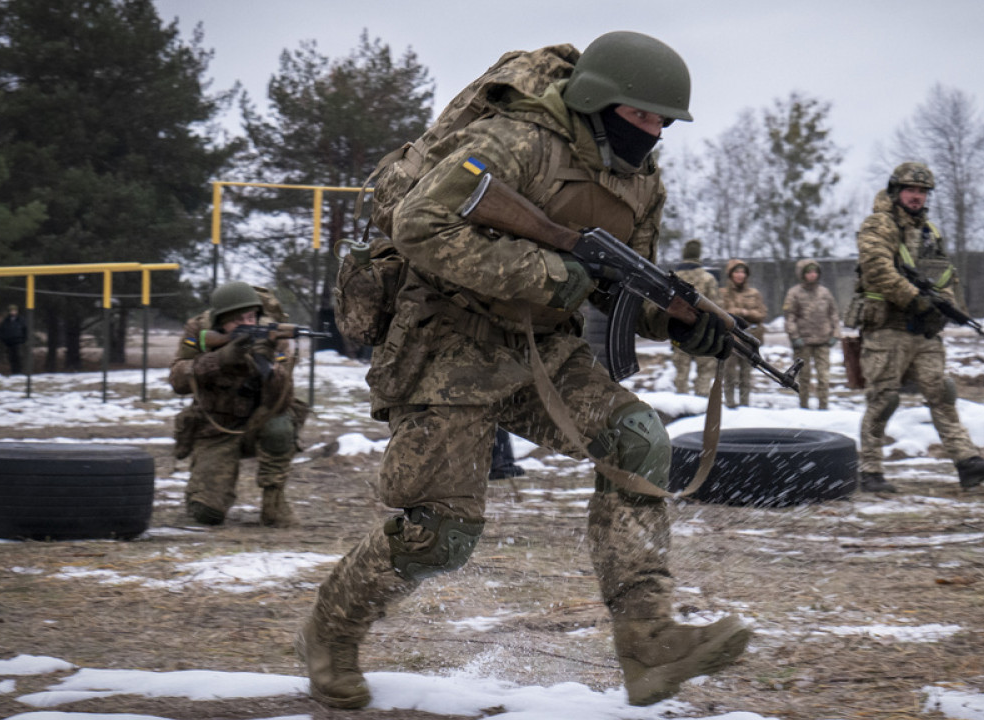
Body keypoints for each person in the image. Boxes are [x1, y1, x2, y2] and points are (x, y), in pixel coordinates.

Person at [295, 31, 749, 710]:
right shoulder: (518, 142)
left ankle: (649, 642)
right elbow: (421, 223)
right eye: (643, 116)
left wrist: (685, 322)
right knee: (441, 536)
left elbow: (620, 289)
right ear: (601, 102)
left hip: (541, 350)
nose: (655, 133)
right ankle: (331, 633)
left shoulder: (641, 182)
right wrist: (548, 272)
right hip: (444, 344)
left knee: (638, 439)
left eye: (664, 122)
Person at [852, 162, 984, 493]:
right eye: (911, 190)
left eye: (923, 192)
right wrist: (917, 299)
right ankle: (870, 470)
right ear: (897, 191)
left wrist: (948, 308)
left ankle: (967, 462)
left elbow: (943, 275)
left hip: (923, 332)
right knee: (884, 400)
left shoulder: (930, 232)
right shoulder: (878, 225)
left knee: (942, 393)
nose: (917, 197)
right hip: (886, 330)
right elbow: (877, 271)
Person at [167, 281, 307, 527]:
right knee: (207, 515)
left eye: (251, 317)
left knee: (281, 425)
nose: (247, 324)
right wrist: (219, 358)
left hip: (258, 423)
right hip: (215, 427)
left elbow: (283, 400)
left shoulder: (273, 335)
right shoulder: (199, 329)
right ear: (221, 321)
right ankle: (201, 493)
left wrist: (269, 368)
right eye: (238, 320)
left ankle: (274, 502)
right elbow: (178, 380)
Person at [783, 259, 840, 410]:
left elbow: (833, 313)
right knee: (804, 377)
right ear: (802, 274)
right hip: (804, 343)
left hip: (823, 341)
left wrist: (835, 333)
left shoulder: (825, 293)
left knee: (824, 377)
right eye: (808, 272)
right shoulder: (794, 293)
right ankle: (804, 407)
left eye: (815, 272)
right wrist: (794, 337)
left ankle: (823, 406)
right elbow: (790, 317)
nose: (812, 275)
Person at [670, 239, 721, 397]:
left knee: (681, 372)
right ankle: (700, 406)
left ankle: (680, 407)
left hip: (678, 330)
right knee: (705, 371)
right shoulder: (708, 279)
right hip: (703, 331)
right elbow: (716, 307)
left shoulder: (673, 277)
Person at [719, 259, 767, 407]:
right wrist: (738, 313)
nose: (740, 275)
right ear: (730, 274)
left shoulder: (753, 293)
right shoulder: (723, 293)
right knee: (729, 374)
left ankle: (745, 406)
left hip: (749, 339)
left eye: (743, 272)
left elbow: (761, 314)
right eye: (737, 272)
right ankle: (730, 404)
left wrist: (746, 312)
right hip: (730, 340)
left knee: (746, 375)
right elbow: (720, 313)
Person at [0, 305, 27, 375]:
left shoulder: (21, 320)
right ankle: (14, 372)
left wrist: (23, 339)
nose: (13, 312)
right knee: (11, 358)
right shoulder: (6, 320)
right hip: (9, 342)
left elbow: (25, 330)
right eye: (11, 311)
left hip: (18, 341)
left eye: (14, 311)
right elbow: (1, 330)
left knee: (18, 357)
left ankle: (19, 372)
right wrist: (4, 339)